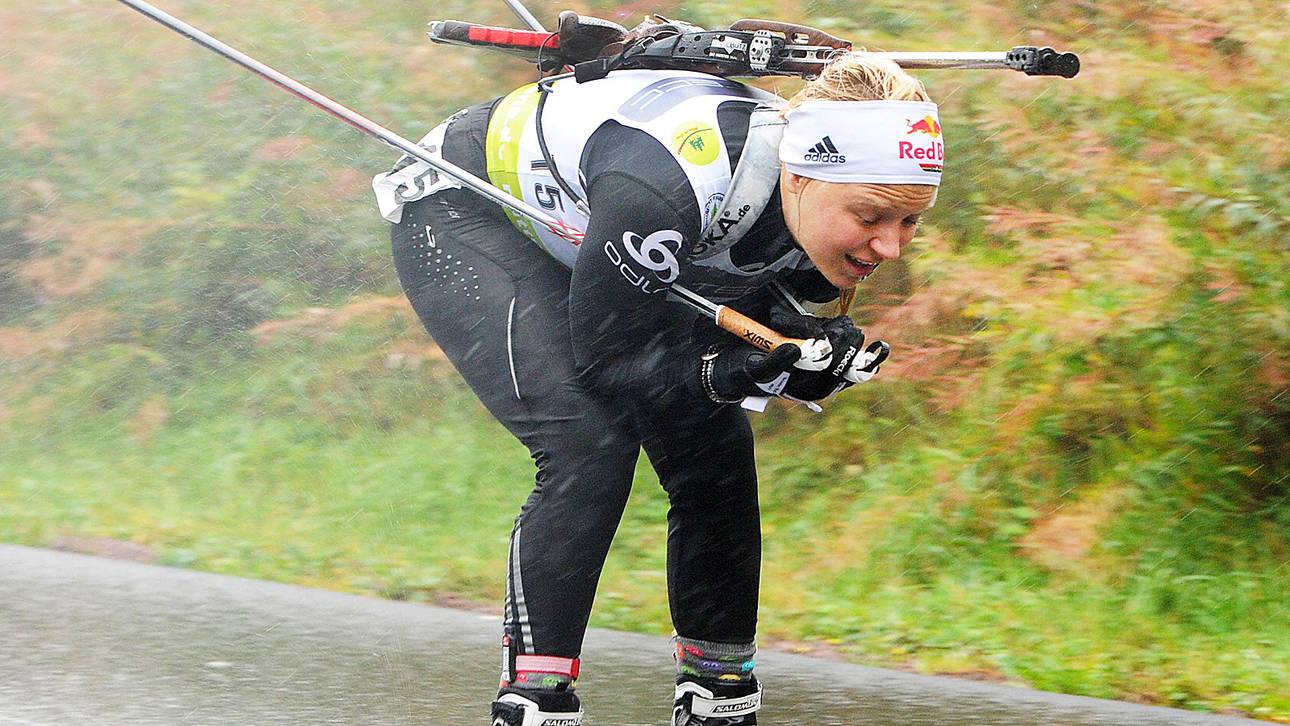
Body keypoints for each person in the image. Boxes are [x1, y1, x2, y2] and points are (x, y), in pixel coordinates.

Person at [373, 49, 943, 725]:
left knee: (717, 452)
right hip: (467, 209)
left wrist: (802, 357)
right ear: (799, 175)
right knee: (590, 443)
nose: (891, 248)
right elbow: (611, 360)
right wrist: (724, 372)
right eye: (873, 216)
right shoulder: (674, 185)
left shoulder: (811, 212)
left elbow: (756, 325)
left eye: (910, 221)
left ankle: (720, 694)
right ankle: (536, 699)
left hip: (609, 236)